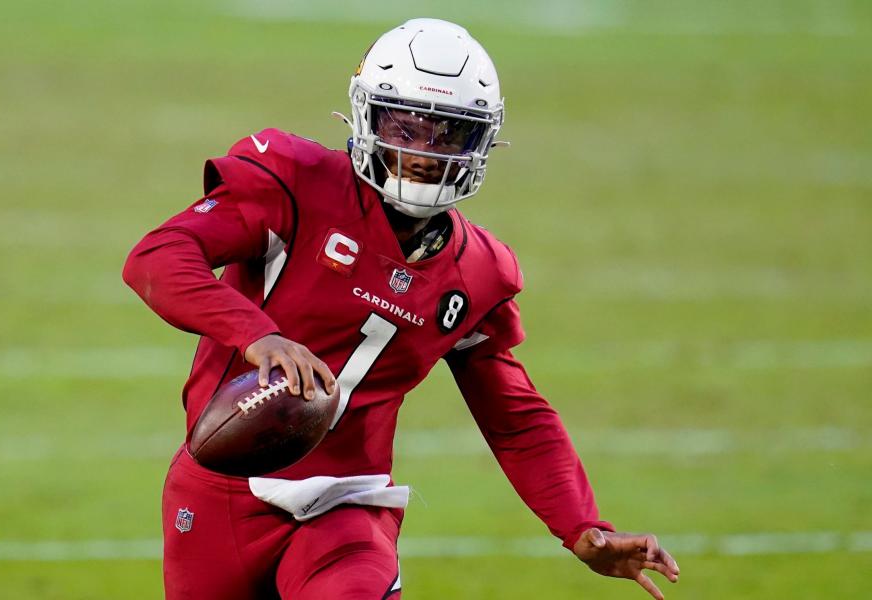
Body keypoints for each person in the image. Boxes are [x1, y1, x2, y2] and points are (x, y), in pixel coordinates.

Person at [123, 18, 680, 600]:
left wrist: (582, 526)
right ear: (367, 117)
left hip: (348, 504)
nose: (421, 152)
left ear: (480, 144)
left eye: (448, 133)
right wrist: (257, 335)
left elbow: (514, 415)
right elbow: (157, 257)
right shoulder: (296, 181)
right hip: (222, 490)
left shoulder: (479, 271)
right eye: (404, 125)